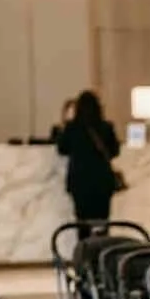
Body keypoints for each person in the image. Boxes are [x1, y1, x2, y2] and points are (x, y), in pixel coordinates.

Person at [56, 89, 120, 238]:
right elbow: (115, 151)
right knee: (102, 223)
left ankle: (84, 255)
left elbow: (62, 149)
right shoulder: (106, 127)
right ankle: (102, 253)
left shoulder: (72, 128)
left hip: (80, 183)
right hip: (103, 182)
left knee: (82, 223)